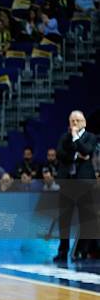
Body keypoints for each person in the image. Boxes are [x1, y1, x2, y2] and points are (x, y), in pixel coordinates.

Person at [54, 110, 98, 261]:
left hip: (84, 185)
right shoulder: (64, 137)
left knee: (86, 219)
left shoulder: (91, 137)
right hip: (67, 184)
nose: (74, 123)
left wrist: (75, 138)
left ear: (84, 122)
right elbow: (60, 154)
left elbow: (87, 151)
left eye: (77, 121)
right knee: (64, 220)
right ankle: (62, 252)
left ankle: (82, 252)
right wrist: (76, 155)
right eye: (72, 121)